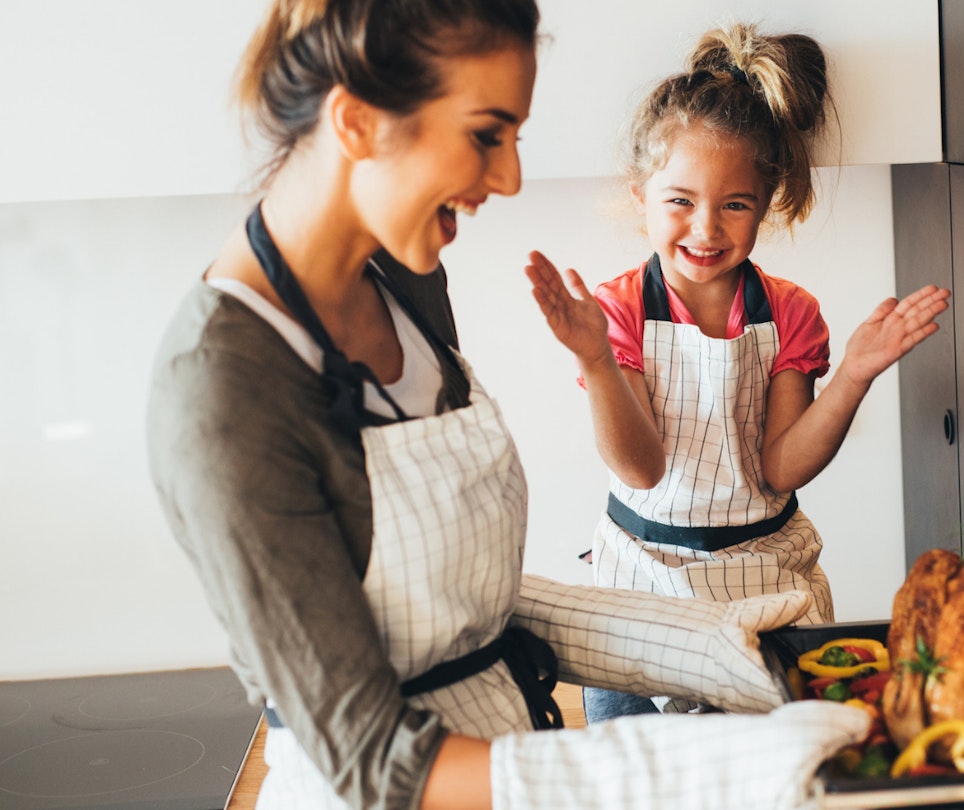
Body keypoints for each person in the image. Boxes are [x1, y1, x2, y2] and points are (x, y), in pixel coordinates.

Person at [146, 2, 868, 808]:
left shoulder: (404, 284)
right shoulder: (223, 387)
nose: (510, 178)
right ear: (355, 121)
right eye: (488, 133)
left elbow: (462, 603)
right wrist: (696, 768)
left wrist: (739, 658)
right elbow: (373, 759)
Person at [524, 23, 951, 723]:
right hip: (640, 588)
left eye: (735, 204)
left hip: (763, 584)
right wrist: (596, 361)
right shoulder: (618, 311)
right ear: (641, 196)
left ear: (768, 201)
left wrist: (854, 376)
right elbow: (641, 467)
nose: (705, 228)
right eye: (680, 201)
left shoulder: (790, 314)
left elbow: (781, 467)